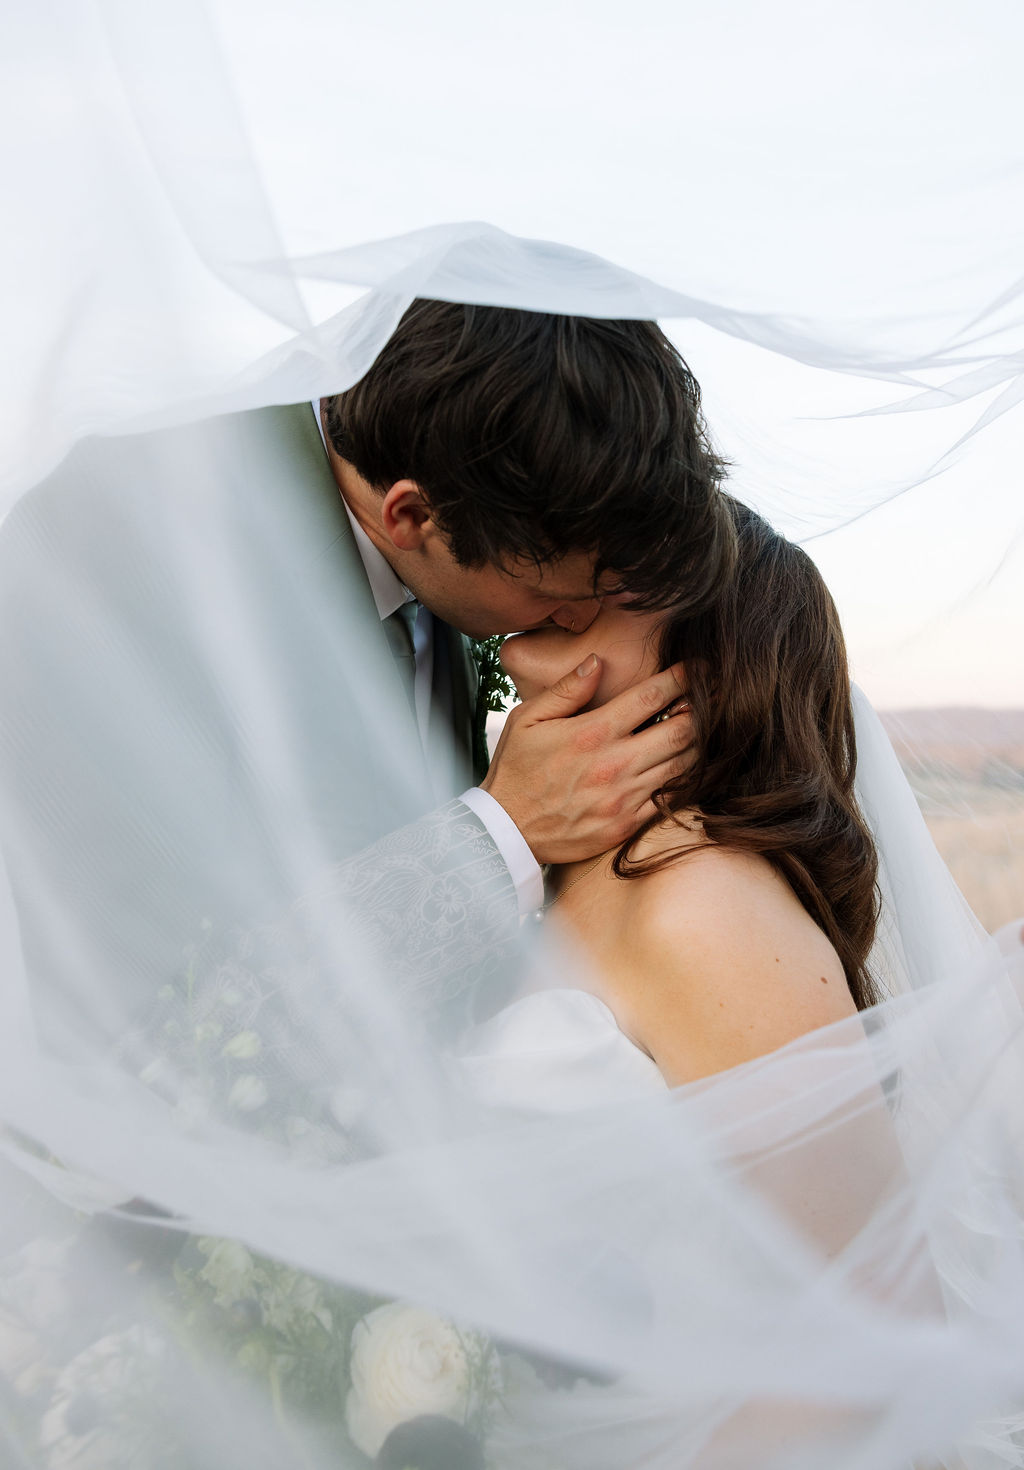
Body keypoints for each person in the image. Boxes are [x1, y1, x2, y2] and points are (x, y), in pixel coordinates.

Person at [0, 299, 734, 1030]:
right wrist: (503, 831)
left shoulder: (443, 550)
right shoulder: (120, 553)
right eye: (552, 596)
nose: (576, 622)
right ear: (411, 517)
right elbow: (161, 1022)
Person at [475, 496, 881, 1092]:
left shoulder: (712, 908)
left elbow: (847, 1188)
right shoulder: (570, 855)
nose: (578, 574)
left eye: (624, 571)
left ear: (706, 676)